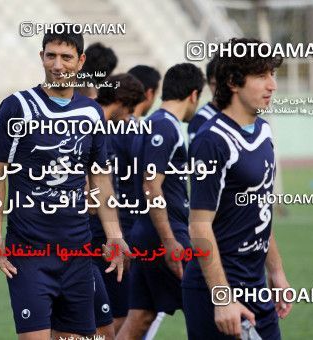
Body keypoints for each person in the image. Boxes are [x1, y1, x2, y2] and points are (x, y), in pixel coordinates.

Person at [0, 25, 129, 339]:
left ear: (80, 61)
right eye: (51, 56)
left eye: (66, 57)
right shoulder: (17, 107)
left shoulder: (92, 113)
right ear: (41, 57)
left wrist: (114, 235)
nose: (57, 64)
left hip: (77, 254)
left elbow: (100, 178)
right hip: (29, 253)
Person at [182, 38, 291, 339]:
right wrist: (222, 297)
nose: (272, 85)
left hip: (256, 286)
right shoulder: (211, 140)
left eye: (273, 74)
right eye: (261, 76)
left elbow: (261, 209)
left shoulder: (264, 130)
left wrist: (277, 272)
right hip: (217, 290)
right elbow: (199, 226)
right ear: (232, 81)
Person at [116, 63, 204, 340]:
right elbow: (151, 185)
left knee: (140, 318)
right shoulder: (167, 128)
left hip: (144, 232)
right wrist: (169, 241)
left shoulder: (148, 124)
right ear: (193, 95)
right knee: (208, 305)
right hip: (164, 235)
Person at [92, 73, 145, 336]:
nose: (128, 117)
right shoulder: (99, 127)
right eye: (129, 110)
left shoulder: (85, 119)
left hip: (81, 231)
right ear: (122, 102)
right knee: (118, 315)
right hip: (102, 232)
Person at [187, 55, 221, 144]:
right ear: (208, 84)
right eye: (214, 84)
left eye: (223, 83)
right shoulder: (201, 119)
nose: (219, 89)